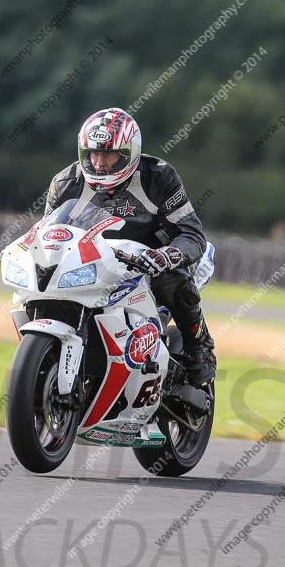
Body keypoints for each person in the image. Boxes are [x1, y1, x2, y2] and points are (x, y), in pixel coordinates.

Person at [44, 107, 216, 389]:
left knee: (172, 279)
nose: (99, 162)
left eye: (109, 154)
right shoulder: (65, 183)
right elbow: (50, 236)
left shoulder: (158, 177)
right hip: (93, 263)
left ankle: (200, 348)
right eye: (92, 153)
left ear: (128, 153)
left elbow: (192, 235)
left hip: (150, 261)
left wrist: (165, 256)